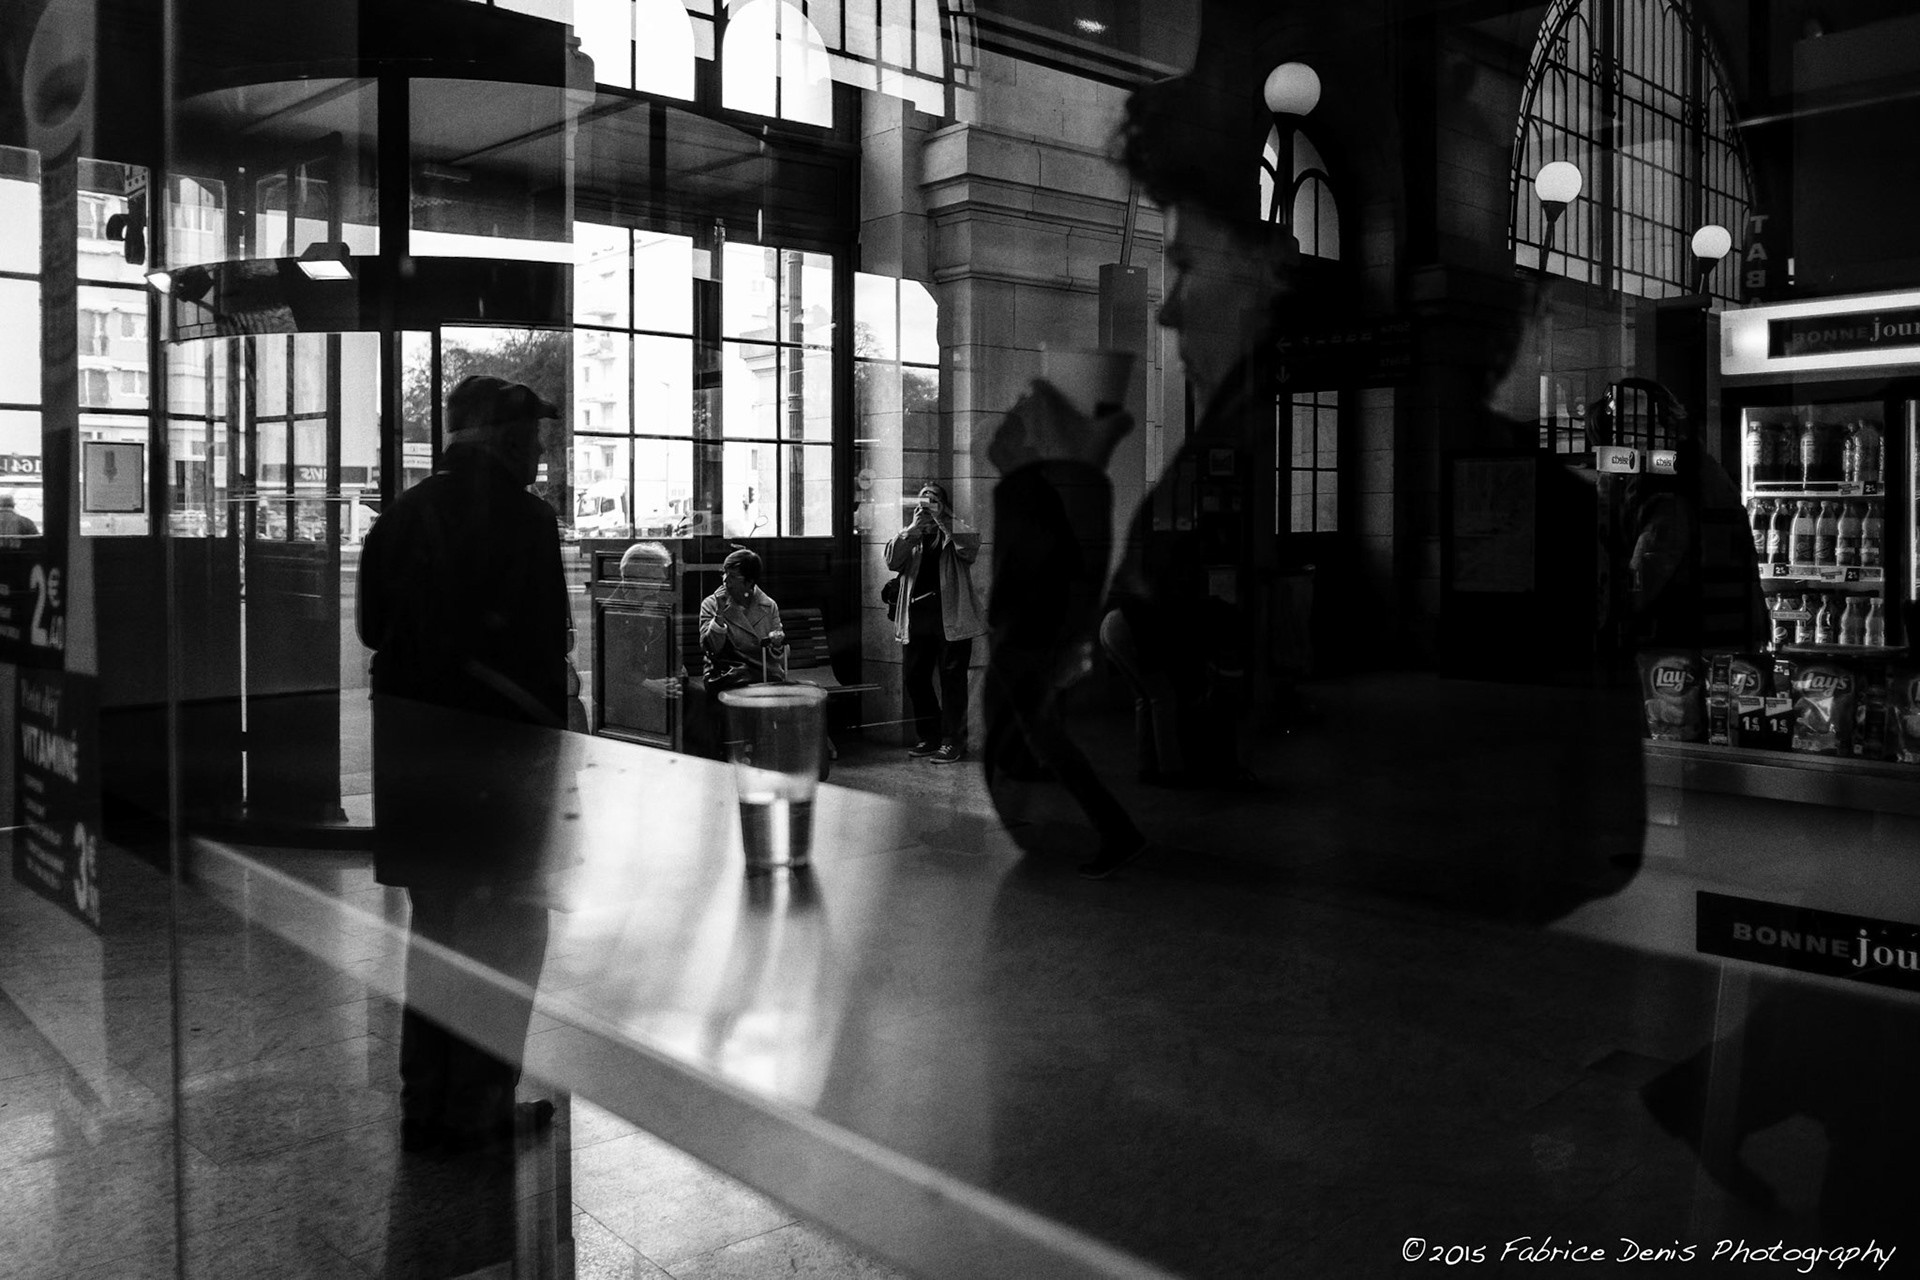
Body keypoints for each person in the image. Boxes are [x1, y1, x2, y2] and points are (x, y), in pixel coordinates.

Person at [356, 373, 568, 1157]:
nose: (540, 453)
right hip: (499, 758)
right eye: (532, 439)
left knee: (437, 925)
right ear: (505, 442)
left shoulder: (400, 517)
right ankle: (480, 1109)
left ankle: (427, 1105)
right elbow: (549, 652)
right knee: (509, 935)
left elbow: (375, 629)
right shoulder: (527, 522)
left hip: (412, 756)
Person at [884, 482, 986, 763]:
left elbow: (971, 545)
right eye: (922, 500)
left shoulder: (952, 531)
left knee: (952, 679)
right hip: (917, 618)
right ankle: (930, 735)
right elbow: (892, 560)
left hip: (951, 618)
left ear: (943, 503)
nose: (926, 505)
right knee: (915, 677)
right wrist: (912, 529)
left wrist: (942, 518)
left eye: (933, 500)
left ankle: (953, 741)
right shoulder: (911, 535)